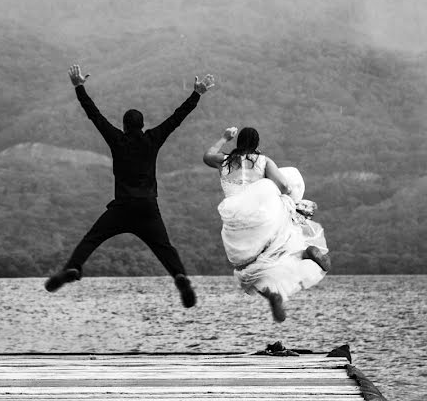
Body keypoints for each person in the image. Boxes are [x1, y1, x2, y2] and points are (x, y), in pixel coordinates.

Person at [45, 64, 216, 309]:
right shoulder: (152, 138)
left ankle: (73, 267)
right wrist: (196, 94)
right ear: (142, 125)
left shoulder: (117, 139)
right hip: (147, 208)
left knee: (91, 239)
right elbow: (176, 118)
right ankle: (180, 276)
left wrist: (79, 87)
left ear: (125, 126)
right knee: (165, 248)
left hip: (122, 207)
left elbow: (95, 115)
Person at [203, 126, 330, 322]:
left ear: (238, 142)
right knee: (278, 248)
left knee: (246, 268)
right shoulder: (263, 161)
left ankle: (273, 294)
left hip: (237, 225)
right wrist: (284, 199)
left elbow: (207, 155)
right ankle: (303, 254)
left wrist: (224, 137)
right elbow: (285, 186)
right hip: (263, 218)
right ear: (257, 144)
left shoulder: (224, 161)